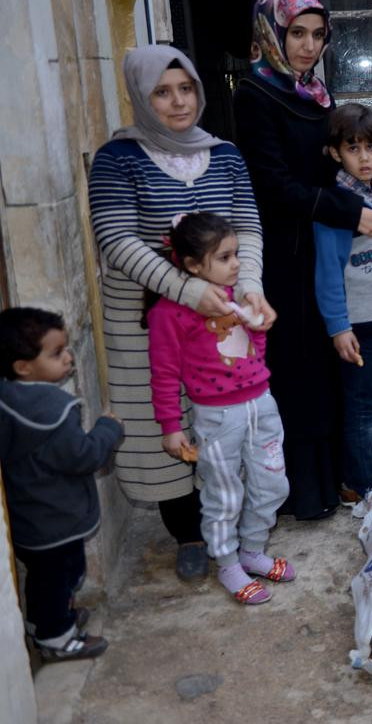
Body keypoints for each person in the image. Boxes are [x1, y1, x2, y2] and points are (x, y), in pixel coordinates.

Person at [88, 45, 271, 580]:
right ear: (140, 98)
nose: (178, 102)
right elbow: (116, 240)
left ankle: (233, 529)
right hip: (148, 319)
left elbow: (248, 227)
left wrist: (249, 288)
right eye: (162, 92)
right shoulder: (118, 159)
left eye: (186, 89)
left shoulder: (226, 155)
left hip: (222, 314)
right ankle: (189, 532)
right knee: (164, 422)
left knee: (226, 416)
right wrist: (187, 290)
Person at [233, 0, 372, 521]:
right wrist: (347, 212)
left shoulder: (317, 95)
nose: (308, 45)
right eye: (297, 33)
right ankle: (302, 493)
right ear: (272, 33)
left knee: (334, 372)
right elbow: (271, 183)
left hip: (329, 248)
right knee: (299, 374)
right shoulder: (254, 94)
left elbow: (344, 156)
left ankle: (339, 479)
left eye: (318, 35)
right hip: (287, 255)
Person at [147, 213, 293, 605]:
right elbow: (164, 374)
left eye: (236, 254)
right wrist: (170, 426)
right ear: (193, 265)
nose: (237, 264)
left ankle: (253, 550)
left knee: (272, 481)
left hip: (261, 405)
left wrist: (258, 330)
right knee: (224, 492)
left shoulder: (235, 298)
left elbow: (252, 347)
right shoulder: (168, 313)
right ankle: (227, 563)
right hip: (216, 417)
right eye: (225, 257)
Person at [0, 308, 124, 661]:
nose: (68, 357)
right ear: (24, 367)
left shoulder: (7, 399)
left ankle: (42, 622)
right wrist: (108, 429)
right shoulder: (51, 411)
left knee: (41, 578)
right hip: (57, 519)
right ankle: (57, 639)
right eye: (56, 354)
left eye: (67, 348)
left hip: (27, 518)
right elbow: (85, 456)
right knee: (62, 577)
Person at [314, 104, 372, 505]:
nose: (365, 157)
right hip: (358, 325)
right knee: (362, 408)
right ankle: (367, 486)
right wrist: (339, 326)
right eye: (354, 149)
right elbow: (328, 273)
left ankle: (359, 479)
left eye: (371, 147)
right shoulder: (338, 206)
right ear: (336, 153)